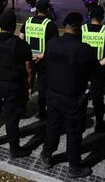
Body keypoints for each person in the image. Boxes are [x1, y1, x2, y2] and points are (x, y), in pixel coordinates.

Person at [40, 12, 99, 178]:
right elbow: (95, 71)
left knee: (52, 126)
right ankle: (74, 167)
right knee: (73, 133)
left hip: (52, 94)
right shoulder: (83, 49)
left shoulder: (51, 43)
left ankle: (46, 156)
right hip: (73, 99)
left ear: (65, 27)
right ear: (78, 28)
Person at [0, 11, 33, 158]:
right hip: (12, 86)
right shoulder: (21, 45)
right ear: (14, 26)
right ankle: (14, 149)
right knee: (11, 117)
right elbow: (29, 70)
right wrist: (29, 87)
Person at [19, 0, 59, 119]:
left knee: (25, 83)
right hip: (42, 60)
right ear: (47, 10)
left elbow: (21, 39)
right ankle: (42, 112)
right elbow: (54, 45)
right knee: (42, 86)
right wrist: (42, 55)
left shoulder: (27, 22)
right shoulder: (51, 25)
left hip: (27, 59)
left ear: (36, 9)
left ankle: (23, 109)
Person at [81, 5, 105, 132]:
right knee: (98, 98)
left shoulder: (82, 29)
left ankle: (80, 121)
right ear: (102, 17)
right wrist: (99, 64)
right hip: (98, 70)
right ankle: (99, 124)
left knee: (80, 94)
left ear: (90, 16)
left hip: (82, 69)